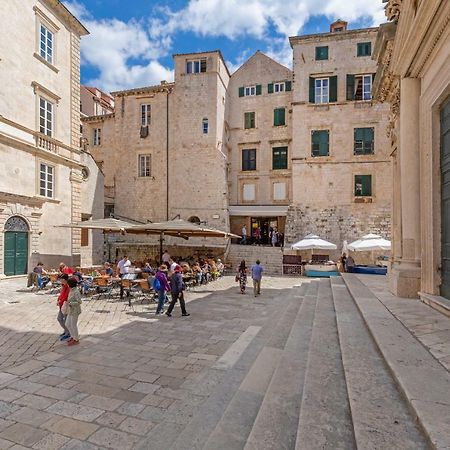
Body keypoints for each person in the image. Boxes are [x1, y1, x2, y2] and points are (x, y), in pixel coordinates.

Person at [65, 277, 82, 346]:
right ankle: (72, 336)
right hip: (70, 310)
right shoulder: (71, 290)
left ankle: (76, 339)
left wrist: (70, 303)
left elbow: (79, 302)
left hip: (75, 310)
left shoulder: (76, 292)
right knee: (67, 324)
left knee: (73, 325)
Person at [57, 274, 71, 341]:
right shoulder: (63, 286)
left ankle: (68, 333)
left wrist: (60, 300)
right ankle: (66, 331)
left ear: (65, 280)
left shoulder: (68, 287)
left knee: (65, 320)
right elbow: (61, 294)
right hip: (61, 305)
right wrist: (58, 299)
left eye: (61, 279)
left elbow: (66, 296)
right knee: (60, 319)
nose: (60, 280)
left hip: (65, 305)